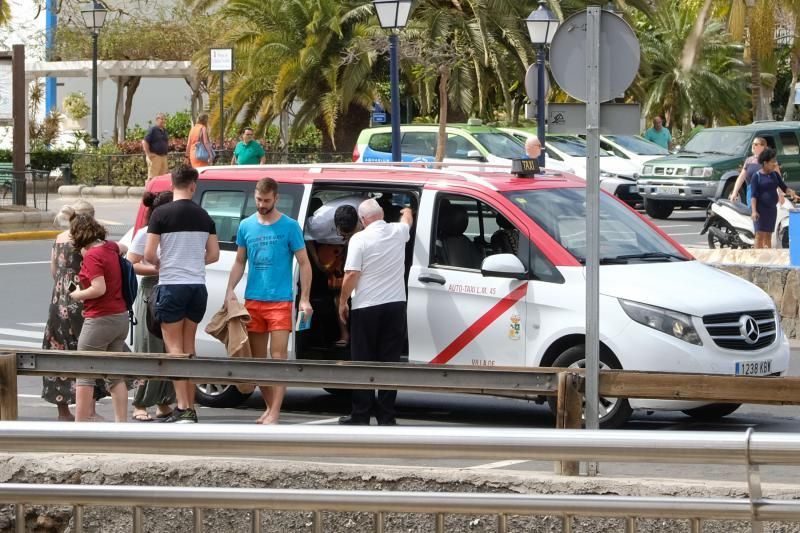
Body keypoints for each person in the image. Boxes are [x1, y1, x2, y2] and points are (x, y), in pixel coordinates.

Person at [225, 177, 313, 424]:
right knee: (257, 360)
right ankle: (269, 406)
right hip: (253, 300)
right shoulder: (246, 226)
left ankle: (275, 411)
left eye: (266, 200)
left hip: (280, 301)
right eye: (258, 200)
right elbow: (240, 261)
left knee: (278, 357)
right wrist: (229, 289)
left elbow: (305, 263)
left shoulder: (290, 226)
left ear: (276, 198)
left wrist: (304, 298)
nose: (261, 204)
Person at [145, 166, 220, 423]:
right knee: (190, 346)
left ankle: (183, 407)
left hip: (172, 285)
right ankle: (191, 407)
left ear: (172, 185)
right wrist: (193, 262)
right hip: (197, 287)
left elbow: (148, 254)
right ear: (193, 186)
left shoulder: (160, 214)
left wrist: (160, 263)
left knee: (174, 349)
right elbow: (214, 255)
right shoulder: (204, 215)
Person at [338, 198, 413, 426]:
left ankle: (361, 414)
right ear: (381, 214)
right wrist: (407, 210)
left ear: (362, 220)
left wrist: (342, 301)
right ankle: (386, 415)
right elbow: (407, 221)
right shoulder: (398, 231)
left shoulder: (359, 239)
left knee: (363, 360)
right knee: (389, 361)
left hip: (366, 306)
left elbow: (351, 274)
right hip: (395, 305)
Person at [42, 201, 106, 421]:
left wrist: (68, 287)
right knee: (88, 350)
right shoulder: (87, 241)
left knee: (58, 349)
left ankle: (64, 412)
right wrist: (77, 289)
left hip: (58, 301)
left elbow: (56, 272)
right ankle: (90, 410)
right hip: (82, 300)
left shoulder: (59, 238)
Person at [68, 215, 130, 423]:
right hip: (120, 317)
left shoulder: (93, 256)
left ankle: (81, 422)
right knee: (114, 375)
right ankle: (122, 423)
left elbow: (98, 288)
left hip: (100, 318)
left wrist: (77, 294)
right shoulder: (110, 247)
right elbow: (123, 247)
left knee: (84, 370)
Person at [127, 191, 177, 422]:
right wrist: (158, 269)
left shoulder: (177, 233)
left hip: (172, 288)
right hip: (151, 290)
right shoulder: (145, 234)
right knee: (148, 345)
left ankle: (164, 401)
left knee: (169, 348)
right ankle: (140, 402)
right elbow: (132, 264)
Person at [306, 204, 361, 347]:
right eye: (343, 234)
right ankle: (345, 334)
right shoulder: (318, 223)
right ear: (335, 226)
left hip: (356, 253)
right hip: (333, 255)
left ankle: (358, 335)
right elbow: (307, 237)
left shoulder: (365, 217)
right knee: (339, 295)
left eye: (349, 234)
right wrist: (317, 261)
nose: (345, 237)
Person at [750, 148, 798, 248]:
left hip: (771, 210)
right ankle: (757, 259)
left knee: (768, 234)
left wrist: (792, 193)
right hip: (760, 210)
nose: (775, 164)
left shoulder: (775, 175)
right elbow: (753, 196)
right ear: (765, 163)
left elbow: (784, 188)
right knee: (759, 235)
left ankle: (766, 260)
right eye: (772, 162)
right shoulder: (756, 176)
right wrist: (754, 211)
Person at [729, 137, 769, 204]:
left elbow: (777, 178)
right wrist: (734, 192)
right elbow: (741, 177)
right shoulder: (749, 160)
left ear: (763, 147)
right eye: (752, 144)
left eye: (756, 144)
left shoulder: (768, 160)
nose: (753, 146)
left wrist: (780, 194)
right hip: (751, 193)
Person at [142, 112, 170, 181]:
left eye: (164, 119)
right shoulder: (153, 130)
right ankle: (149, 191)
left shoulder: (164, 130)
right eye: (162, 119)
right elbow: (144, 141)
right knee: (152, 178)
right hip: (155, 157)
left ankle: (160, 192)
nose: (163, 121)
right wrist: (148, 154)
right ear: (157, 120)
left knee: (163, 178)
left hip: (163, 157)